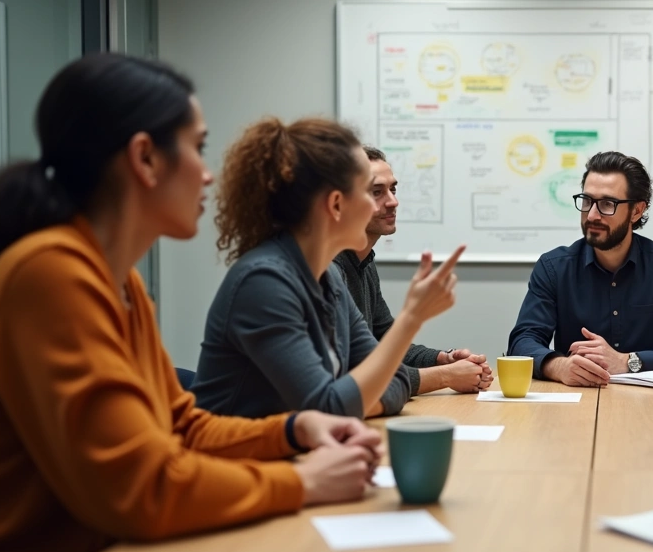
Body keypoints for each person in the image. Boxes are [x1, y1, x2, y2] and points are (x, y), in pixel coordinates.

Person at [0, 53, 393, 552]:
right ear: (145, 158)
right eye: (198, 147)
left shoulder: (123, 281)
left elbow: (181, 426)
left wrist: (296, 429)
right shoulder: (51, 272)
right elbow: (141, 487)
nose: (209, 174)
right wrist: (300, 483)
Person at [191, 118, 465, 419]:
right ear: (336, 205)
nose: (388, 204)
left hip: (304, 455)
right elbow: (330, 406)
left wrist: (354, 397)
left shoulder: (328, 276)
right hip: (239, 460)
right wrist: (412, 318)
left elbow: (393, 379)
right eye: (369, 192)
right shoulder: (264, 281)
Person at [507, 151, 653, 387]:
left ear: (637, 211)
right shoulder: (554, 268)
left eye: (607, 204)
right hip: (578, 402)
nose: (592, 215)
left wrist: (630, 361)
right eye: (587, 201)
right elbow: (522, 342)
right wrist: (559, 367)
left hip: (650, 404)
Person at [328, 146, 492, 394]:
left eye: (393, 189)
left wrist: (441, 358)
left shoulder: (364, 263)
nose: (393, 202)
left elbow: (386, 343)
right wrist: (445, 376)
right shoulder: (328, 271)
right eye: (376, 192)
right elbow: (358, 380)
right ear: (339, 202)